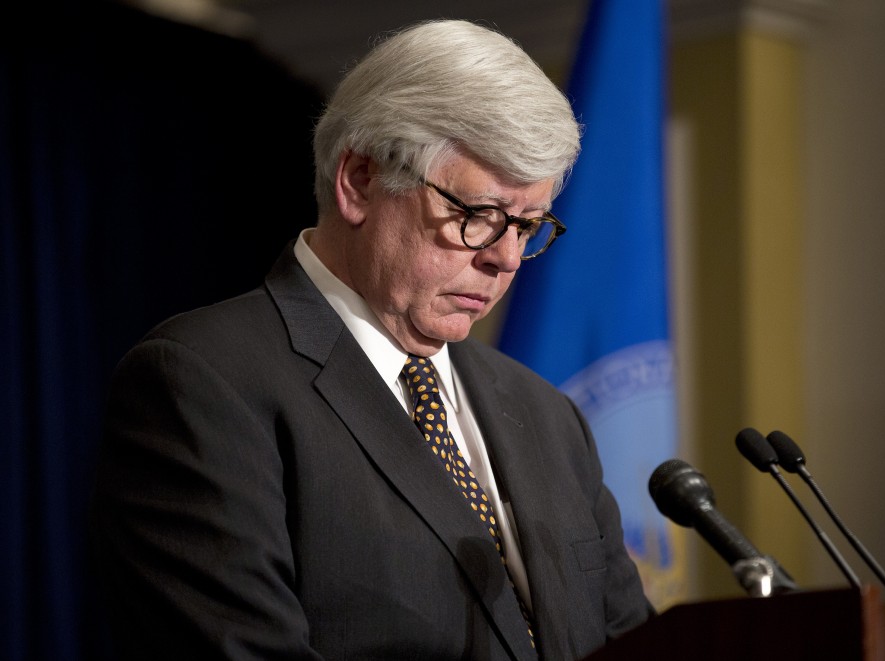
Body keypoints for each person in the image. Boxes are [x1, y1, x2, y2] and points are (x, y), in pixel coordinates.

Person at [91, 19, 653, 660]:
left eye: (527, 226)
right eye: (476, 216)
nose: (505, 259)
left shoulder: (547, 416)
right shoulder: (201, 383)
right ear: (359, 180)